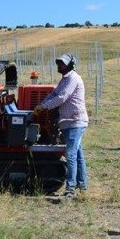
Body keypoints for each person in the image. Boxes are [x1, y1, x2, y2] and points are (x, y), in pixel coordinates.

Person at [34, 53, 89, 199]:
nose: (60, 66)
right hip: (68, 122)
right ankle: (82, 186)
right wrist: (41, 104)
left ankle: (70, 190)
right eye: (59, 63)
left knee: (70, 154)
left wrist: (44, 107)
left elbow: (62, 97)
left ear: (71, 65)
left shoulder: (73, 78)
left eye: (63, 64)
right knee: (78, 155)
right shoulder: (64, 80)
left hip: (75, 121)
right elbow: (54, 94)